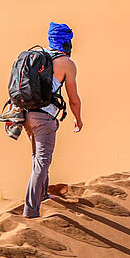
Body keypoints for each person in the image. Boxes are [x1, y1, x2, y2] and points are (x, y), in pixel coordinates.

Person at [23, 22, 83, 218]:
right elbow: (73, 98)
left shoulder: (36, 57)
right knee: (42, 162)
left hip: (26, 115)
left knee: (38, 158)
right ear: (66, 42)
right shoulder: (66, 63)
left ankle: (43, 195)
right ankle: (31, 210)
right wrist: (78, 118)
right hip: (44, 118)